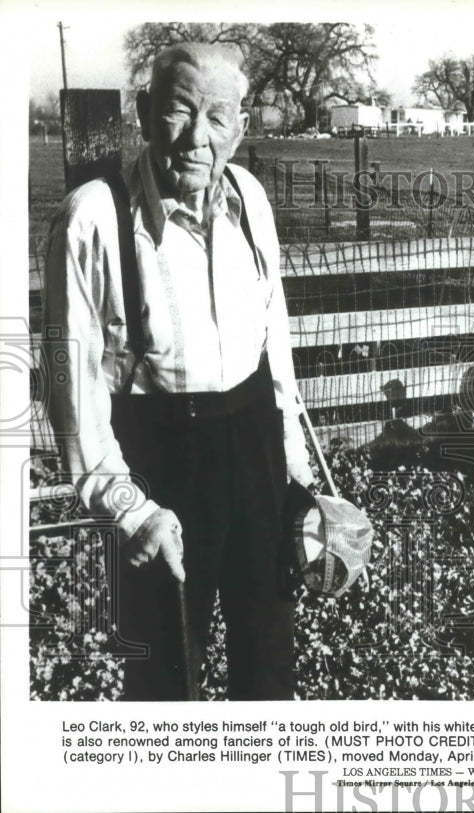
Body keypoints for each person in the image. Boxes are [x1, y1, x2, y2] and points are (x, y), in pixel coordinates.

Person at [44, 43, 314, 700]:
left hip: (253, 452)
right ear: (143, 112)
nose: (199, 137)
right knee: (165, 684)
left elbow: (273, 342)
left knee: (270, 668)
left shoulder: (249, 198)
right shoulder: (92, 220)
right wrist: (132, 513)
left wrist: (299, 482)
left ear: (242, 128)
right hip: (161, 467)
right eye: (179, 111)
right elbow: (72, 396)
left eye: (219, 117)